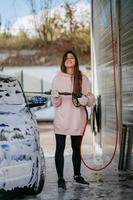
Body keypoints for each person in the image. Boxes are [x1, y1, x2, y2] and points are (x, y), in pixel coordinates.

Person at [51, 50, 96, 189]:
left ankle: (77, 176)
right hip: (61, 119)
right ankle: (60, 179)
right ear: (63, 62)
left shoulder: (83, 78)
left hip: (77, 119)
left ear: (75, 61)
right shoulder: (57, 78)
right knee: (60, 148)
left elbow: (91, 99)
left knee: (76, 149)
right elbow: (56, 103)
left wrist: (85, 100)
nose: (69, 59)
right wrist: (55, 96)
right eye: (66, 58)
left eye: (72, 57)